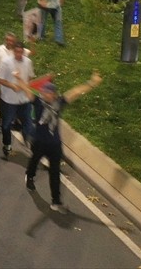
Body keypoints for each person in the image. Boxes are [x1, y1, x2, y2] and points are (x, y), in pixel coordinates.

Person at [25, 73, 102, 212]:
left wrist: (91, 83)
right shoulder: (37, 102)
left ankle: (56, 201)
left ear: (54, 94)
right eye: (43, 91)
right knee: (34, 161)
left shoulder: (59, 103)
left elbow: (75, 92)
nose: (44, 94)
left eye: (47, 92)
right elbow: (25, 89)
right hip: (39, 142)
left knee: (54, 172)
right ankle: (29, 176)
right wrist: (18, 79)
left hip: (55, 144)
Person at [0, 41, 34, 159]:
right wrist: (12, 86)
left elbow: (30, 77)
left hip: (24, 99)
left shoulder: (28, 62)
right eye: (17, 52)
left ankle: (30, 144)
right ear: (13, 51)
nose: (19, 54)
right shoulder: (6, 62)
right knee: (6, 125)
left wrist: (25, 86)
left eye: (21, 52)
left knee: (28, 123)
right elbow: (0, 79)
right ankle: (7, 146)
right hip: (9, 100)